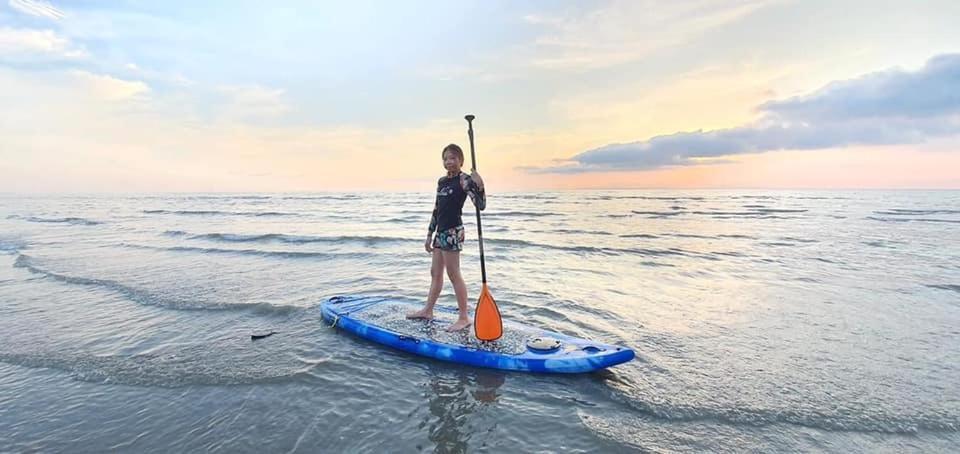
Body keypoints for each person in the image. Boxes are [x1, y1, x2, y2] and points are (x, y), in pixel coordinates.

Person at [406, 143, 486, 331]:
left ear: (460, 160)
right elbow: (436, 209)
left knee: (453, 273)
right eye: (446, 158)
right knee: (435, 273)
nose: (449, 161)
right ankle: (428, 310)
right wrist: (429, 234)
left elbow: (480, 205)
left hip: (452, 232)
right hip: (440, 232)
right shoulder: (441, 181)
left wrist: (480, 184)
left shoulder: (464, 180)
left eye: (453, 158)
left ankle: (464, 317)